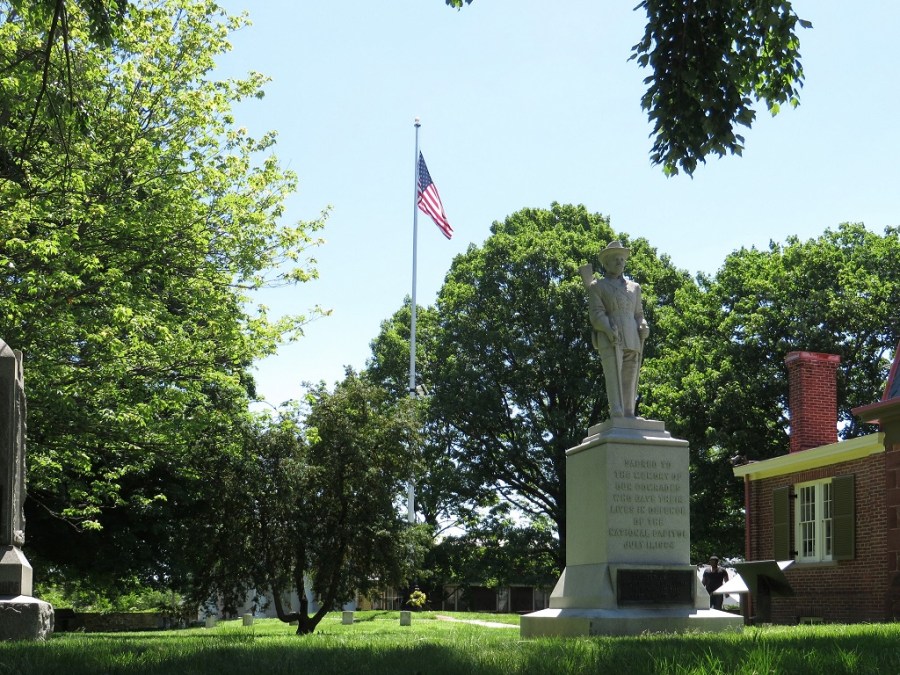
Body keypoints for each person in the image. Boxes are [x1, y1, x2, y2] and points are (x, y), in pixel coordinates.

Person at [579, 241, 650, 418]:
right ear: (606, 263)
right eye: (615, 259)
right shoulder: (597, 286)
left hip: (632, 335)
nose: (620, 262)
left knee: (630, 372)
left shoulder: (635, 287)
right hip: (610, 335)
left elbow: (639, 313)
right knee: (613, 373)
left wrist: (643, 324)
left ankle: (629, 411)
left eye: (622, 259)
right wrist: (608, 329)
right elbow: (596, 313)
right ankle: (616, 409)